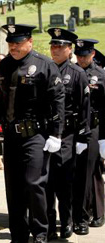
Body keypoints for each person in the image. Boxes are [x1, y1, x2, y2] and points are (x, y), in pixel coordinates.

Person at [0, 24, 65, 243]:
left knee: (34, 184)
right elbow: (1, 98)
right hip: (12, 136)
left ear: (29, 42)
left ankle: (40, 233)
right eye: (10, 43)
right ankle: (18, 235)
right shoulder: (4, 66)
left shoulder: (44, 65)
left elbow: (57, 100)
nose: (13, 46)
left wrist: (56, 134)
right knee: (14, 189)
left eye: (17, 42)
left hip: (36, 135)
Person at [45, 28, 90, 240]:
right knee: (47, 183)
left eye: (59, 46)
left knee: (65, 184)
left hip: (69, 135)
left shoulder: (77, 74)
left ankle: (66, 221)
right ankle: (49, 224)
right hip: (48, 133)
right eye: (53, 45)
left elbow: (84, 108)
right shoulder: (45, 69)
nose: (55, 49)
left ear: (69, 49)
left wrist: (82, 137)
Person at [73, 39, 105, 234]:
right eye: (78, 55)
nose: (81, 59)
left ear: (92, 54)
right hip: (74, 128)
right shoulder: (72, 72)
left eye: (85, 55)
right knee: (81, 173)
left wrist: (103, 139)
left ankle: (93, 213)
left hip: (94, 129)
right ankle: (87, 211)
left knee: (90, 172)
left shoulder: (100, 76)